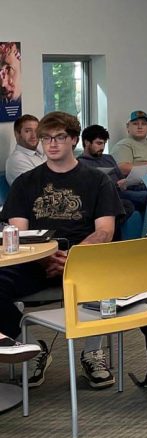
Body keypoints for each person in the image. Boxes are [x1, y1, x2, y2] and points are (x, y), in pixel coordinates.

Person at [0, 112, 124, 387]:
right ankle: (31, 349)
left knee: (104, 280)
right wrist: (46, 258)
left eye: (59, 137)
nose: (51, 144)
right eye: (46, 138)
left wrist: (74, 257)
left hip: (83, 259)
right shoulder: (26, 183)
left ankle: (93, 352)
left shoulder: (97, 181)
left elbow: (105, 230)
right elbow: (19, 232)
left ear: (74, 140)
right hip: (37, 262)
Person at [78, 124, 128, 195]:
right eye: (99, 143)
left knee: (146, 191)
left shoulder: (109, 158)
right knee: (143, 196)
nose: (102, 147)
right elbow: (87, 189)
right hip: (106, 196)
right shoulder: (80, 163)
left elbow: (121, 178)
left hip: (122, 192)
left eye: (104, 143)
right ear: (87, 143)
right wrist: (115, 185)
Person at [5, 114, 43, 185]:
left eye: (37, 130)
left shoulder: (42, 154)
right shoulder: (17, 160)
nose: (34, 135)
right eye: (28, 131)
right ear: (17, 134)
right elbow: (38, 188)